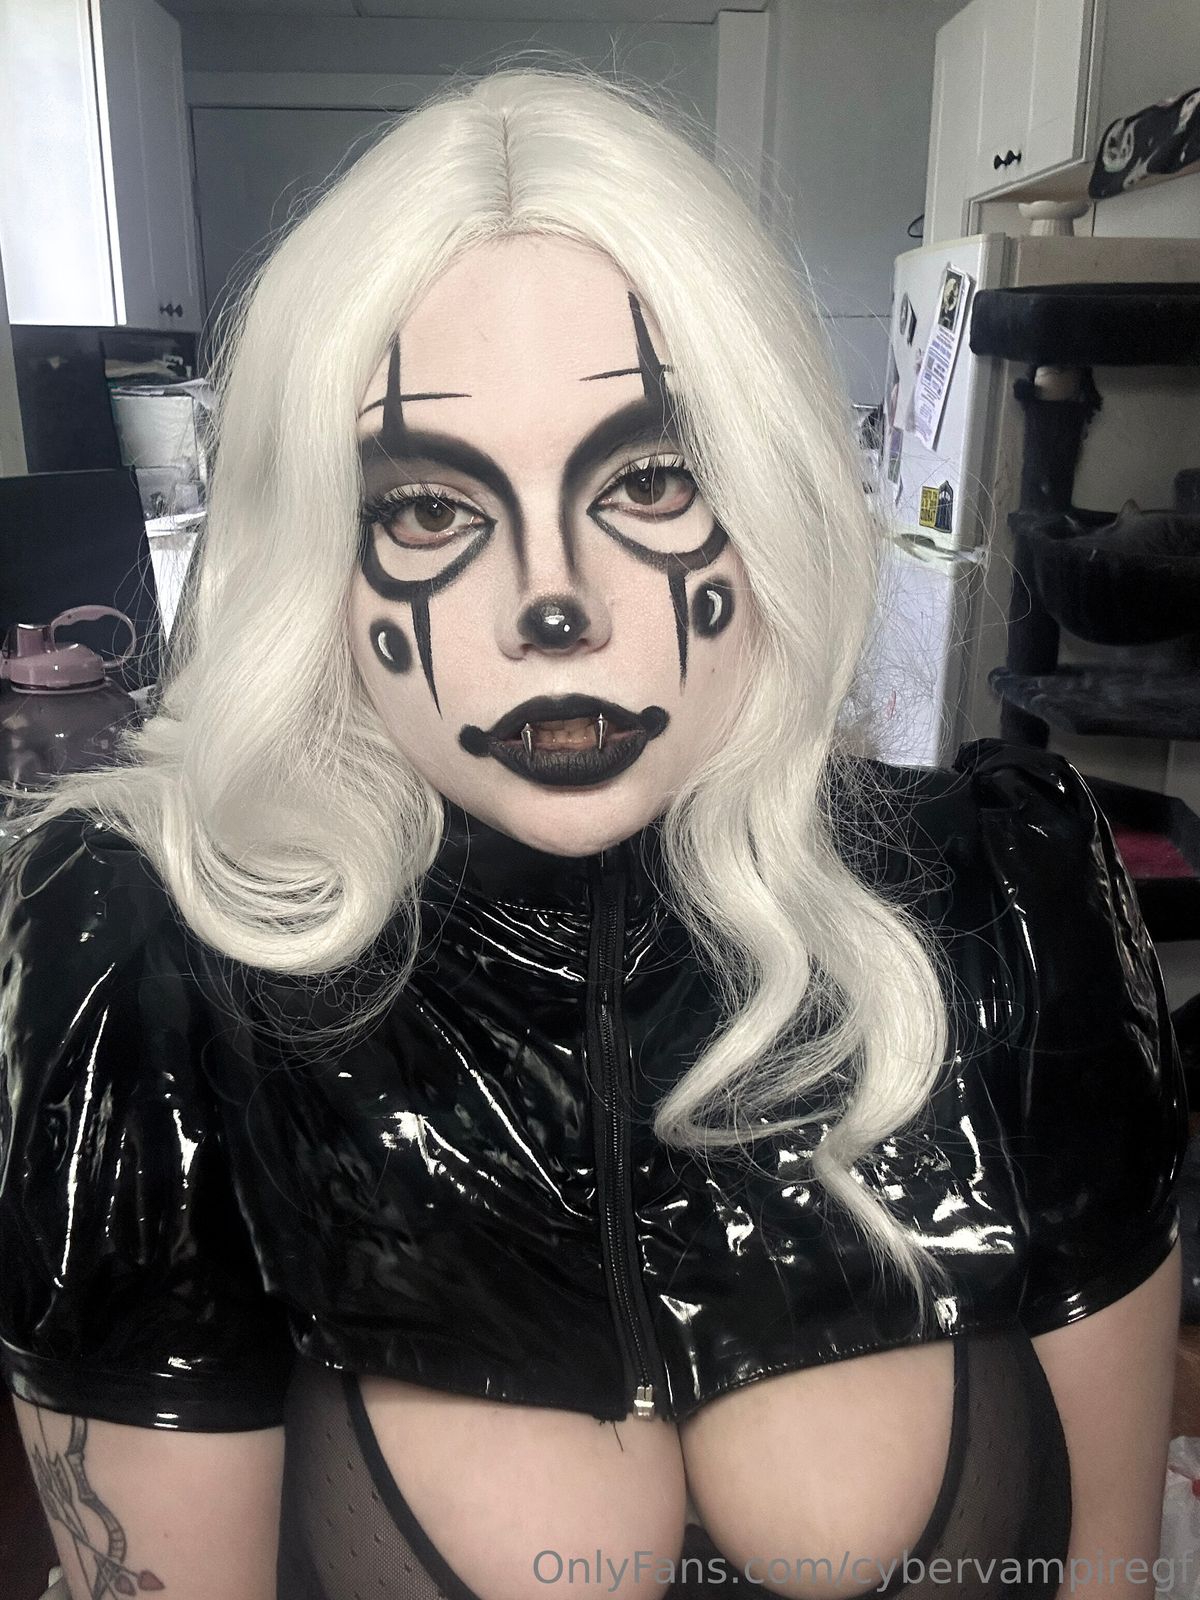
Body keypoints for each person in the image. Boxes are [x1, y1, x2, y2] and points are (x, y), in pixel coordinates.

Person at [0, 66, 1188, 1600]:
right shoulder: (160, 969)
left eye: (649, 477)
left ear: (765, 494)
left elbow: (1109, 1574)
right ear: (320, 556)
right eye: (429, 510)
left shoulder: (1003, 901)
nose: (549, 604)